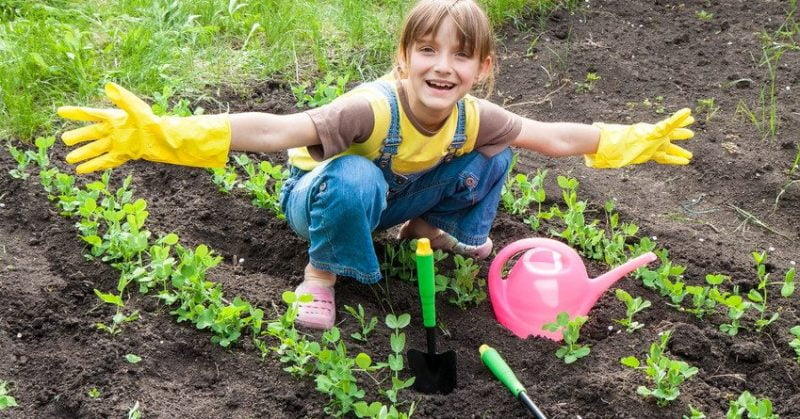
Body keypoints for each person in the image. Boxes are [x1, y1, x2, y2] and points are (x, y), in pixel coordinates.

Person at [57, 0, 694, 330]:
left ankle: (427, 231)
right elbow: (275, 130)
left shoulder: (475, 114)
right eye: (428, 50)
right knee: (356, 176)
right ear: (404, 58)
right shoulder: (367, 111)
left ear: (482, 68)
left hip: (395, 198)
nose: (443, 66)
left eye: (461, 57)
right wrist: (166, 135)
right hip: (322, 201)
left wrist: (622, 138)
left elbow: (553, 138)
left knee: (496, 153)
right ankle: (322, 274)